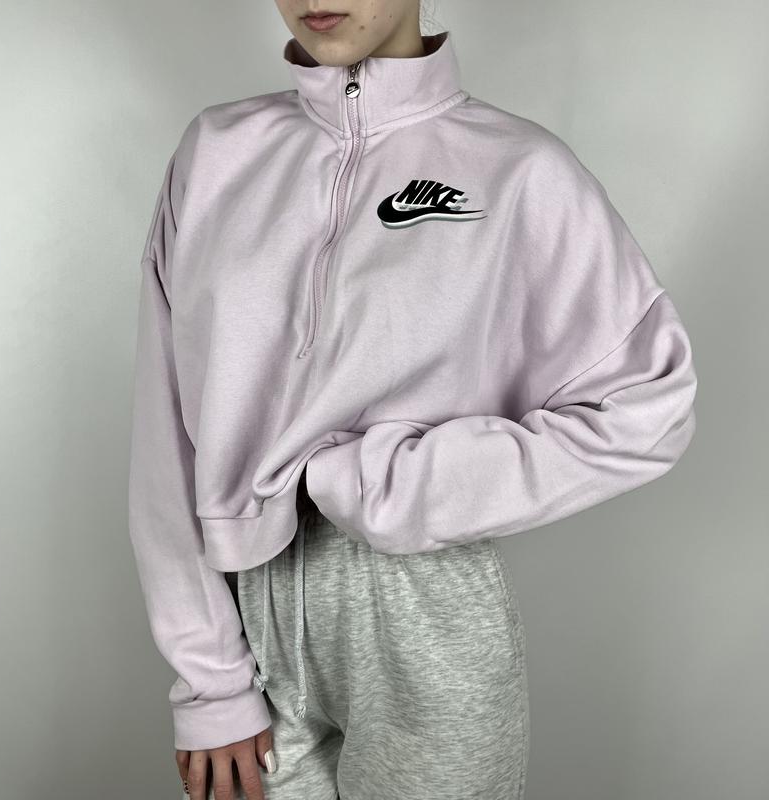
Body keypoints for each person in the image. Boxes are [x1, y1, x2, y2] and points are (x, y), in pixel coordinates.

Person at [127, 2, 698, 799]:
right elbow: (166, 425)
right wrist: (208, 677)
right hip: (246, 605)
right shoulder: (216, 153)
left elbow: (649, 406)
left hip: (422, 604)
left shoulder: (518, 169)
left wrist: (399, 484)